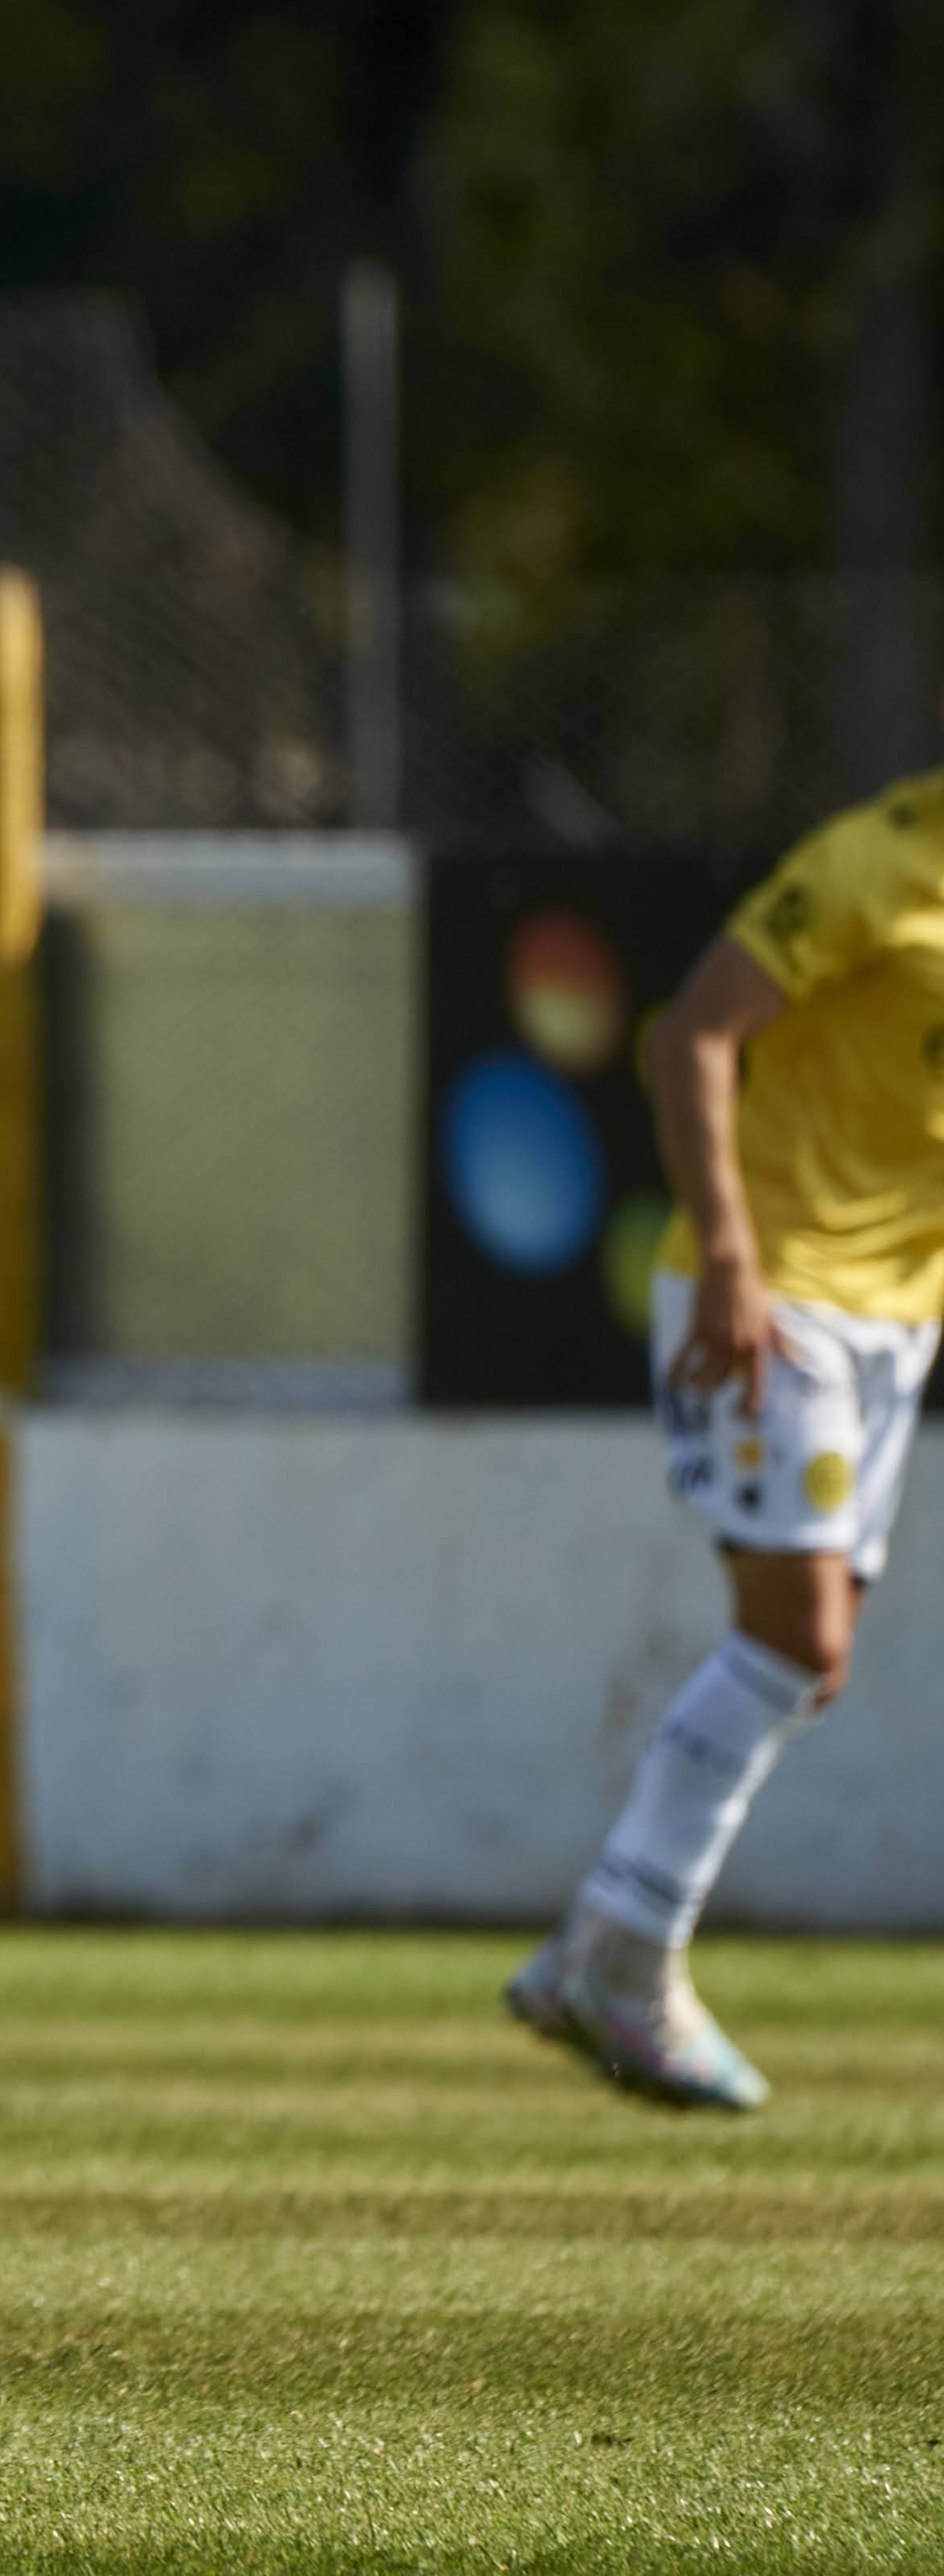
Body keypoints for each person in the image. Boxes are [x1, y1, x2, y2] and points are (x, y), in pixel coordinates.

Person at [507, 769, 944, 2110]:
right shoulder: (875, 862)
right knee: (795, 1639)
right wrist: (730, 1263)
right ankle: (627, 1965)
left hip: (898, 1315)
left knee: (802, 1661)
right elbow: (690, 1031)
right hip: (779, 1298)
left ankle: (587, 1944)